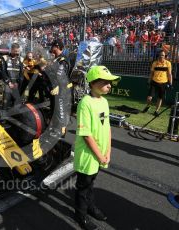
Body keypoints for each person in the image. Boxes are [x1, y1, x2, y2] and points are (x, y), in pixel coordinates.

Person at [74, 65, 120, 230]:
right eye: (106, 82)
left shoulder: (105, 102)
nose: (110, 85)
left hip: (100, 152)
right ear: (93, 83)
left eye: (110, 82)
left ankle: (90, 207)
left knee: (91, 183)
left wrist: (108, 150)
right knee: (83, 186)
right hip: (88, 154)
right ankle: (81, 215)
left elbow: (107, 127)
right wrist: (100, 156)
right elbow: (86, 134)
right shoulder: (85, 103)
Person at [47, 39, 72, 137]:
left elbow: (60, 75)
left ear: (57, 47)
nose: (51, 48)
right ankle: (55, 128)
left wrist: (56, 86)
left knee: (60, 109)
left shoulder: (62, 59)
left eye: (52, 46)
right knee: (55, 109)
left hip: (62, 89)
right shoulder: (56, 59)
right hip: (55, 89)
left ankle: (60, 131)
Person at [142, 50, 172, 116]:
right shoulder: (154, 63)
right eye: (160, 55)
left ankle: (156, 111)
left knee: (160, 98)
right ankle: (148, 106)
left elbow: (169, 74)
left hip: (163, 83)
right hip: (154, 82)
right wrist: (148, 81)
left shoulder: (168, 63)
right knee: (149, 97)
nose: (161, 56)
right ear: (158, 56)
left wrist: (170, 83)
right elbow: (151, 73)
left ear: (165, 56)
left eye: (163, 55)